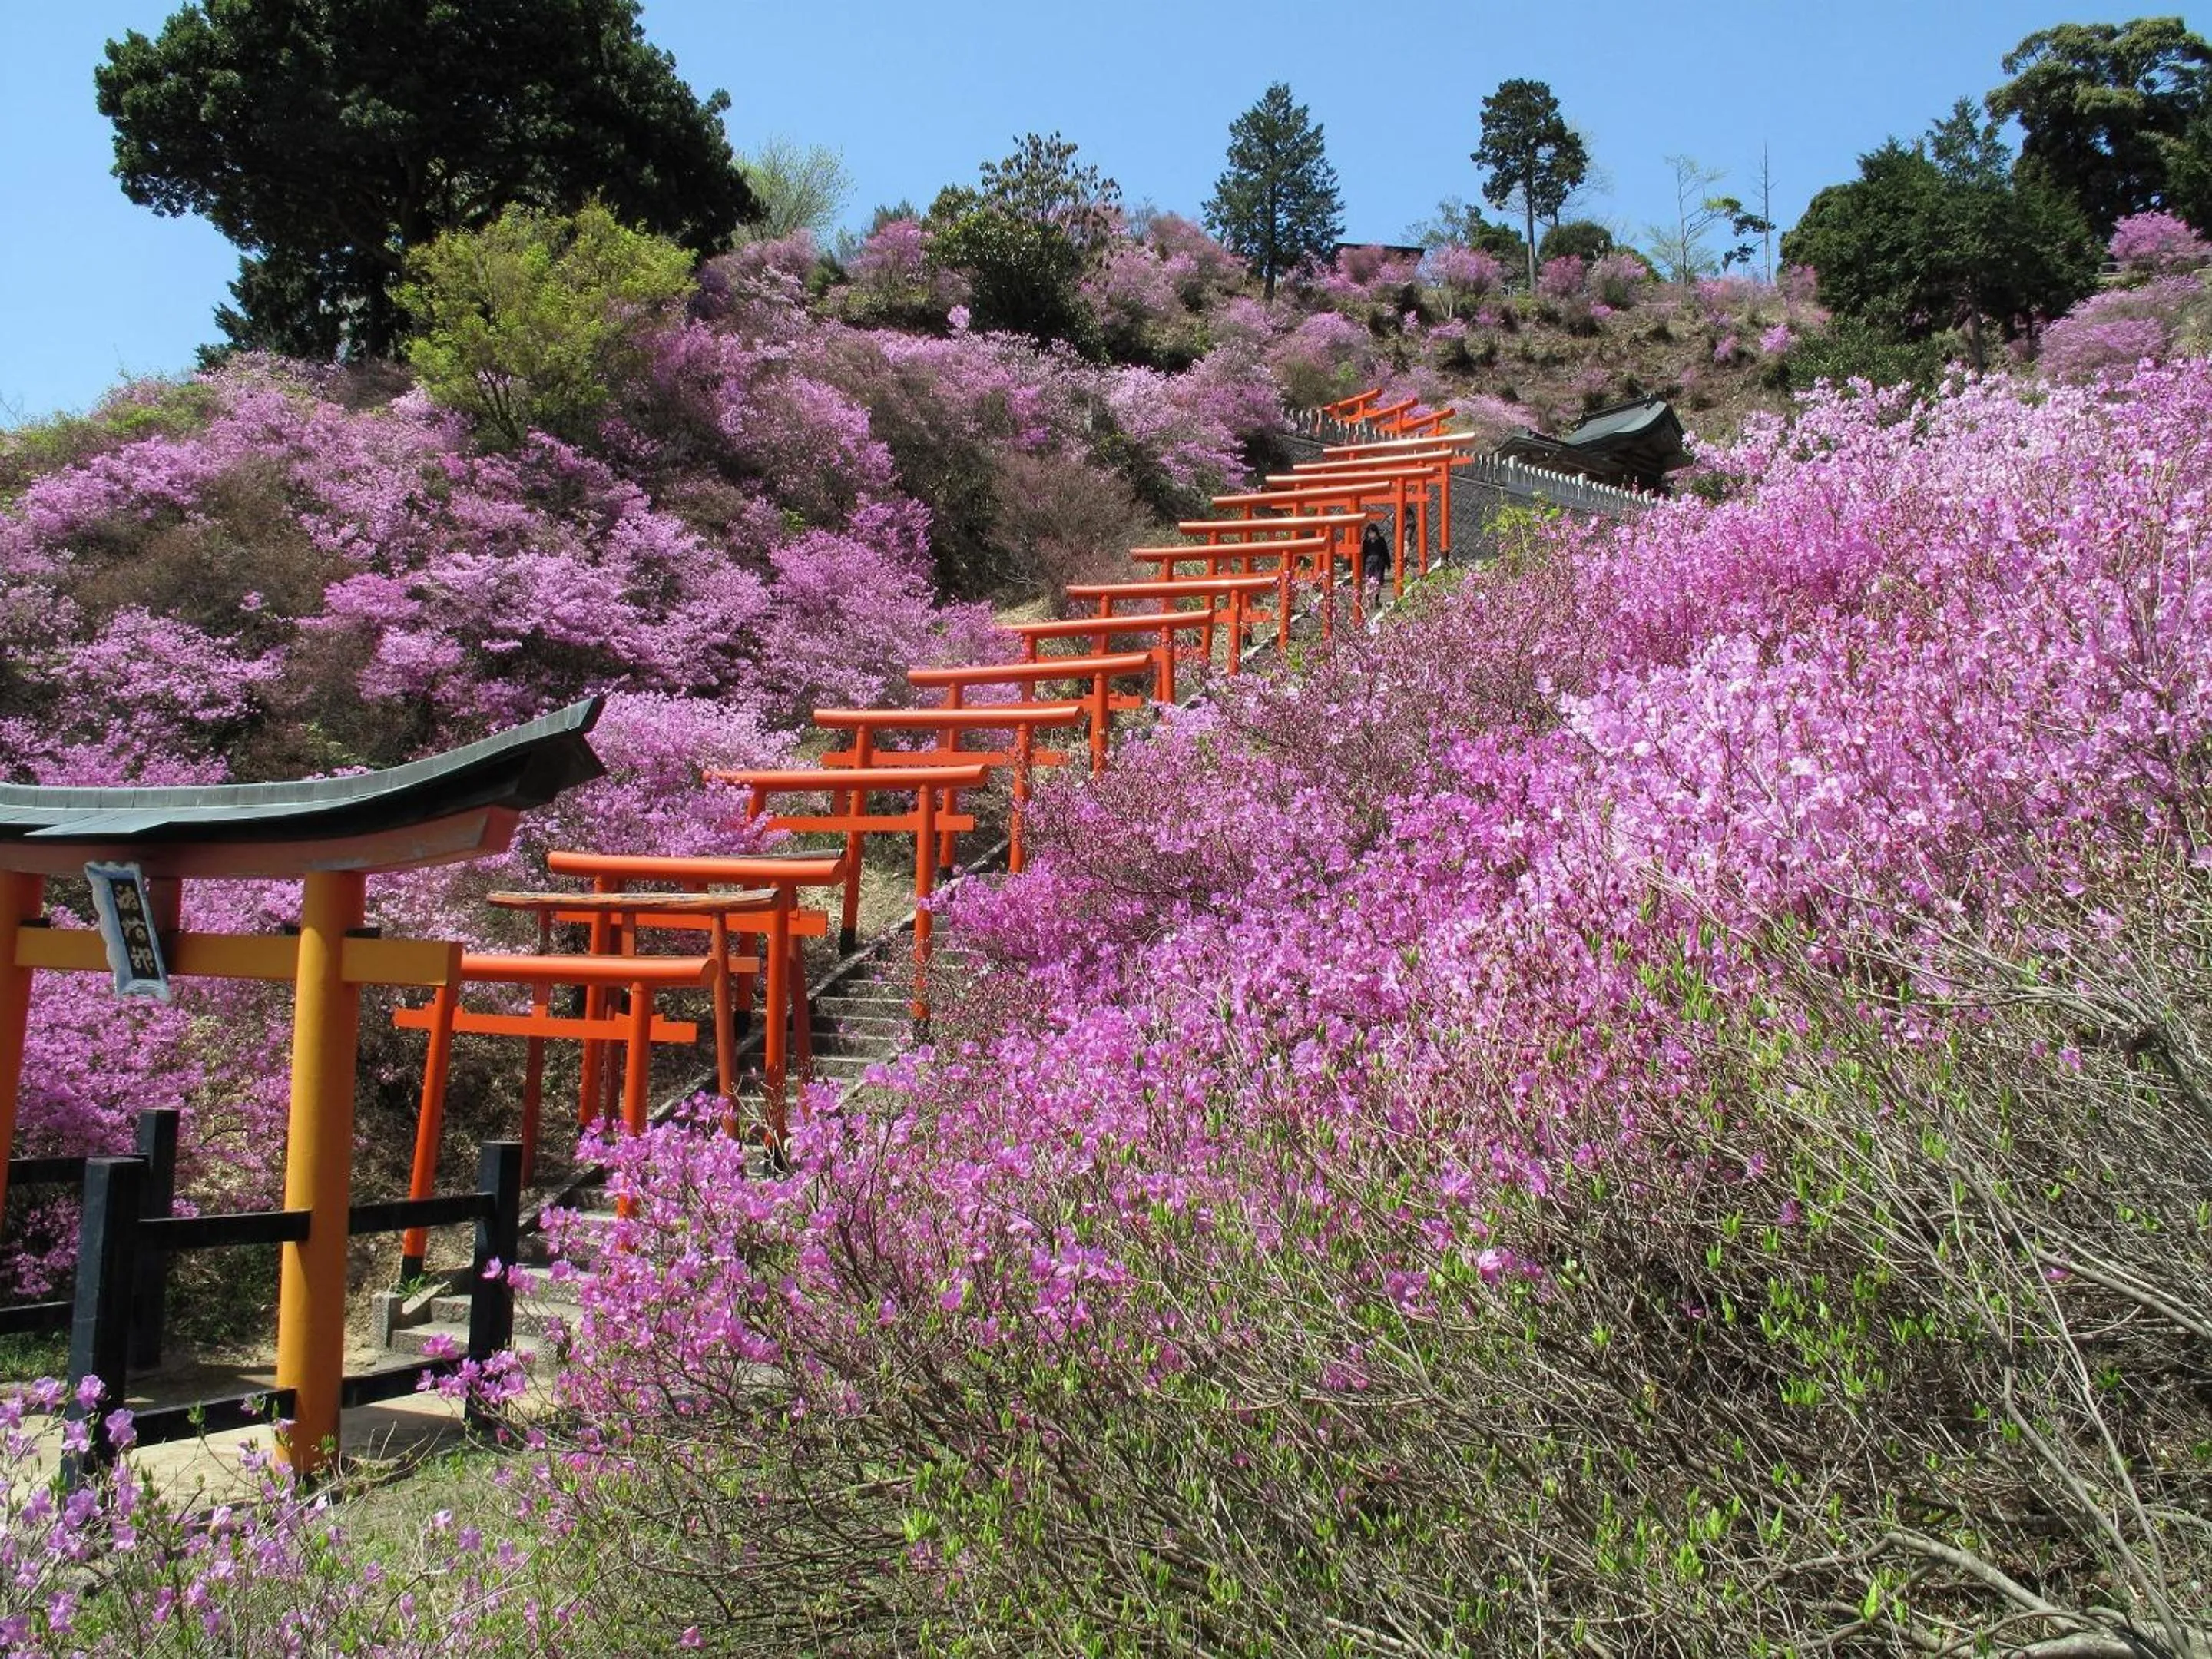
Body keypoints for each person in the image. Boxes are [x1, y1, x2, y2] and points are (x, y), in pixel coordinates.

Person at [1359, 519, 1390, 598]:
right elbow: (1364, 554)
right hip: (1369, 563)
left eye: (1373, 532)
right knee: (1368, 579)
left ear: (1376, 532)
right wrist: (1362, 566)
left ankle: (1377, 598)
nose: (1372, 534)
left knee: (1378, 580)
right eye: (1370, 533)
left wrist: (1388, 563)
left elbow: (1385, 552)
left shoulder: (1381, 540)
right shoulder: (1366, 542)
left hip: (1379, 562)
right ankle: (1368, 597)